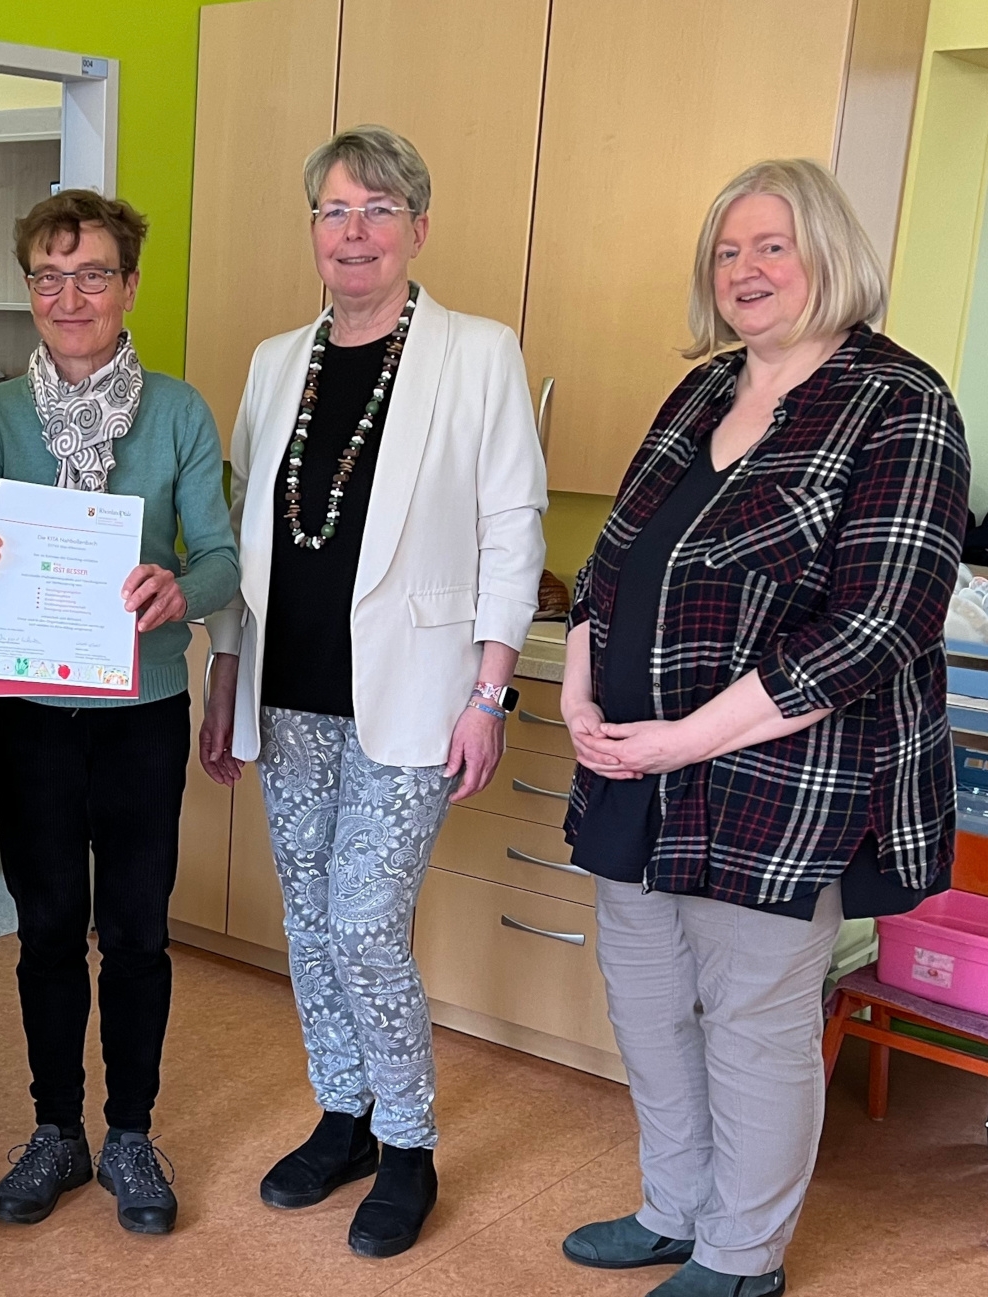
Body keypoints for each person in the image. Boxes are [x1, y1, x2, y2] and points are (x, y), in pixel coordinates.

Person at [557, 158, 968, 1297]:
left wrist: (684, 737)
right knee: (646, 1003)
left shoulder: (903, 401)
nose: (745, 269)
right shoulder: (702, 391)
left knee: (753, 1022)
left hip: (785, 782)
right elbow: (607, 571)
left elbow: (875, 624)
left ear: (829, 253)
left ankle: (743, 1257)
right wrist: (581, 699)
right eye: (728, 251)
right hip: (633, 765)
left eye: (770, 245)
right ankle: (673, 1206)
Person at [199, 124, 547, 1258]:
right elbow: (252, 530)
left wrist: (491, 691)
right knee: (307, 920)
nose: (353, 231)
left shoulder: (477, 352)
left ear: (418, 228)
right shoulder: (271, 361)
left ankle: (408, 1144)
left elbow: (512, 525)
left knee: (361, 922)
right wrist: (227, 673)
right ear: (312, 232)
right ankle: (341, 1113)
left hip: (415, 694)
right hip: (289, 690)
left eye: (378, 209)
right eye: (333, 212)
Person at [0, 190, 239, 1236]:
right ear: (28, 287)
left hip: (140, 711)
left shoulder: (177, 412)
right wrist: (4, 591)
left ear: (128, 287)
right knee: (41, 931)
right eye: (47, 275)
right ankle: (53, 1129)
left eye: (92, 275)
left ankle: (129, 1131)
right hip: (31, 713)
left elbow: (218, 556)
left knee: (135, 932)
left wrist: (181, 586)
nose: (69, 296)